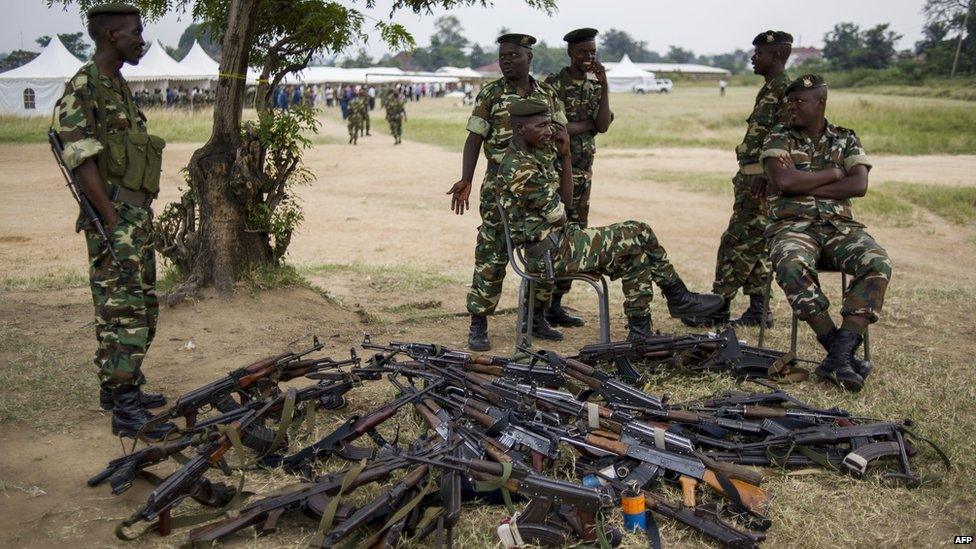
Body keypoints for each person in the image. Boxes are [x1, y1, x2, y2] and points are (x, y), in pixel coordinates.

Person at [498, 98, 724, 340]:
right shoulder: (520, 167)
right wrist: (560, 210)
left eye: (548, 125)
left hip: (559, 242)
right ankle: (678, 296)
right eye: (540, 126)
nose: (548, 131)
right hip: (548, 254)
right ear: (521, 129)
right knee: (640, 230)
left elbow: (566, 204)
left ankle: (641, 333)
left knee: (634, 258)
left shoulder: (532, 156)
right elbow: (561, 214)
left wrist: (566, 157)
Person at [50, 2, 174, 439]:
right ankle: (124, 409)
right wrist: (111, 217)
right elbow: (80, 158)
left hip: (133, 214)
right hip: (116, 217)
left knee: (140, 306)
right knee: (124, 312)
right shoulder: (83, 87)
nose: (141, 39)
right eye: (135, 32)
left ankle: (122, 387)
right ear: (112, 37)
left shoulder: (116, 84)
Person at [760, 74, 890, 392]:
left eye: (799, 101)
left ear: (821, 102)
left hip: (839, 228)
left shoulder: (845, 138)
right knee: (790, 263)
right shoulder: (778, 137)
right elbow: (784, 183)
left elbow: (858, 185)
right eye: (789, 101)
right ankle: (837, 348)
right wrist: (834, 173)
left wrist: (806, 179)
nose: (792, 106)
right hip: (793, 227)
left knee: (877, 261)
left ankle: (840, 353)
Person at [445, 33, 568, 351]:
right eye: (502, 56)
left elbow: (561, 134)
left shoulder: (548, 95)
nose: (506, 61)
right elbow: (474, 138)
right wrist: (466, 179)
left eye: (513, 55)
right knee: (491, 254)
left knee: (544, 253)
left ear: (529, 57)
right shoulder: (491, 94)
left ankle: (537, 317)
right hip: (499, 192)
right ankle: (479, 322)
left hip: (539, 189)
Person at [684, 30, 793, 328]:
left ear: (777, 55)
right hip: (751, 180)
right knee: (754, 244)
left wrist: (767, 176)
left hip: (762, 182)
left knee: (736, 242)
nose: (752, 58)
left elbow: (787, 138)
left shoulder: (786, 90)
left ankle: (718, 306)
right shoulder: (771, 88)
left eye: (759, 53)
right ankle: (759, 308)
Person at [541, 27, 613, 329]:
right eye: (583, 52)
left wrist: (605, 84)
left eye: (593, 52)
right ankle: (539, 306)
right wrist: (587, 125)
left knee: (575, 236)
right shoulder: (553, 85)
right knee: (551, 235)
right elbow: (556, 130)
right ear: (570, 52)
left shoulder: (595, 87)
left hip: (584, 174)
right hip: (555, 172)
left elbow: (604, 125)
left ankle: (557, 303)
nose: (588, 57)